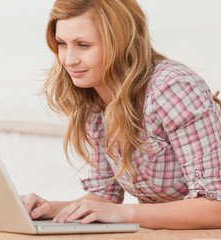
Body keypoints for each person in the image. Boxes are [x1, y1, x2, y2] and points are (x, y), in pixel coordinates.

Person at [20, 0, 221, 229]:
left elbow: (216, 205)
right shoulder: (94, 99)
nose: (68, 59)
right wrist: (50, 209)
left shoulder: (173, 88)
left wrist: (124, 213)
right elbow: (105, 198)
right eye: (62, 43)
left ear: (121, 42)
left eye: (83, 45)